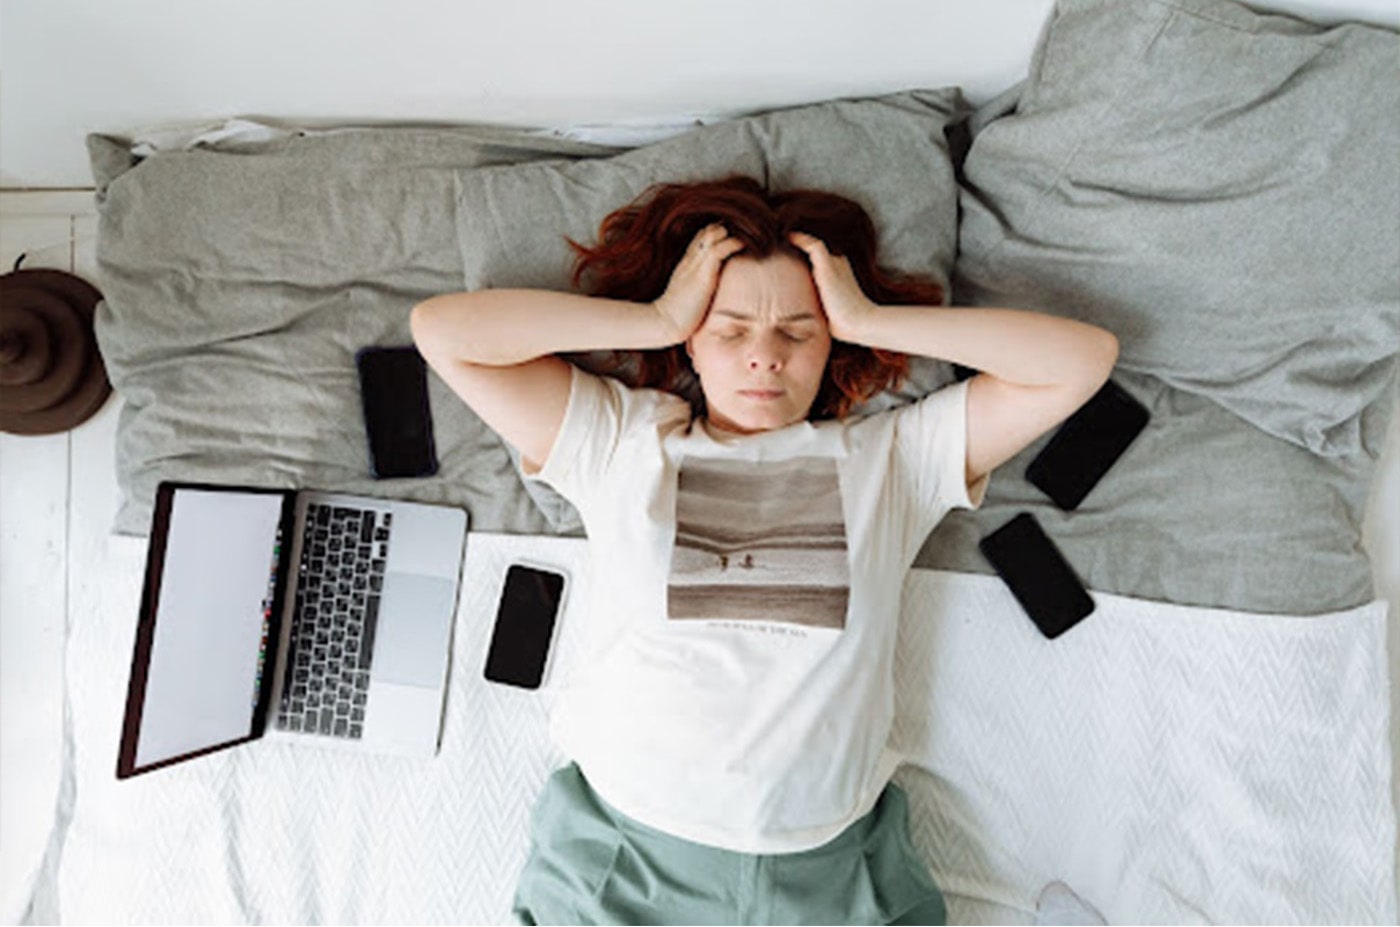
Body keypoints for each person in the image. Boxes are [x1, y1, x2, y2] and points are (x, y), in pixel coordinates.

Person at [411, 175, 1119, 925]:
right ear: (692, 338)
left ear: (831, 342)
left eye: (798, 332)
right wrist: (653, 318)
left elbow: (1080, 359)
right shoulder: (623, 440)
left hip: (828, 874)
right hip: (628, 860)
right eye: (731, 329)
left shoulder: (894, 459)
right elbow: (444, 333)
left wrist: (871, 317)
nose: (765, 356)